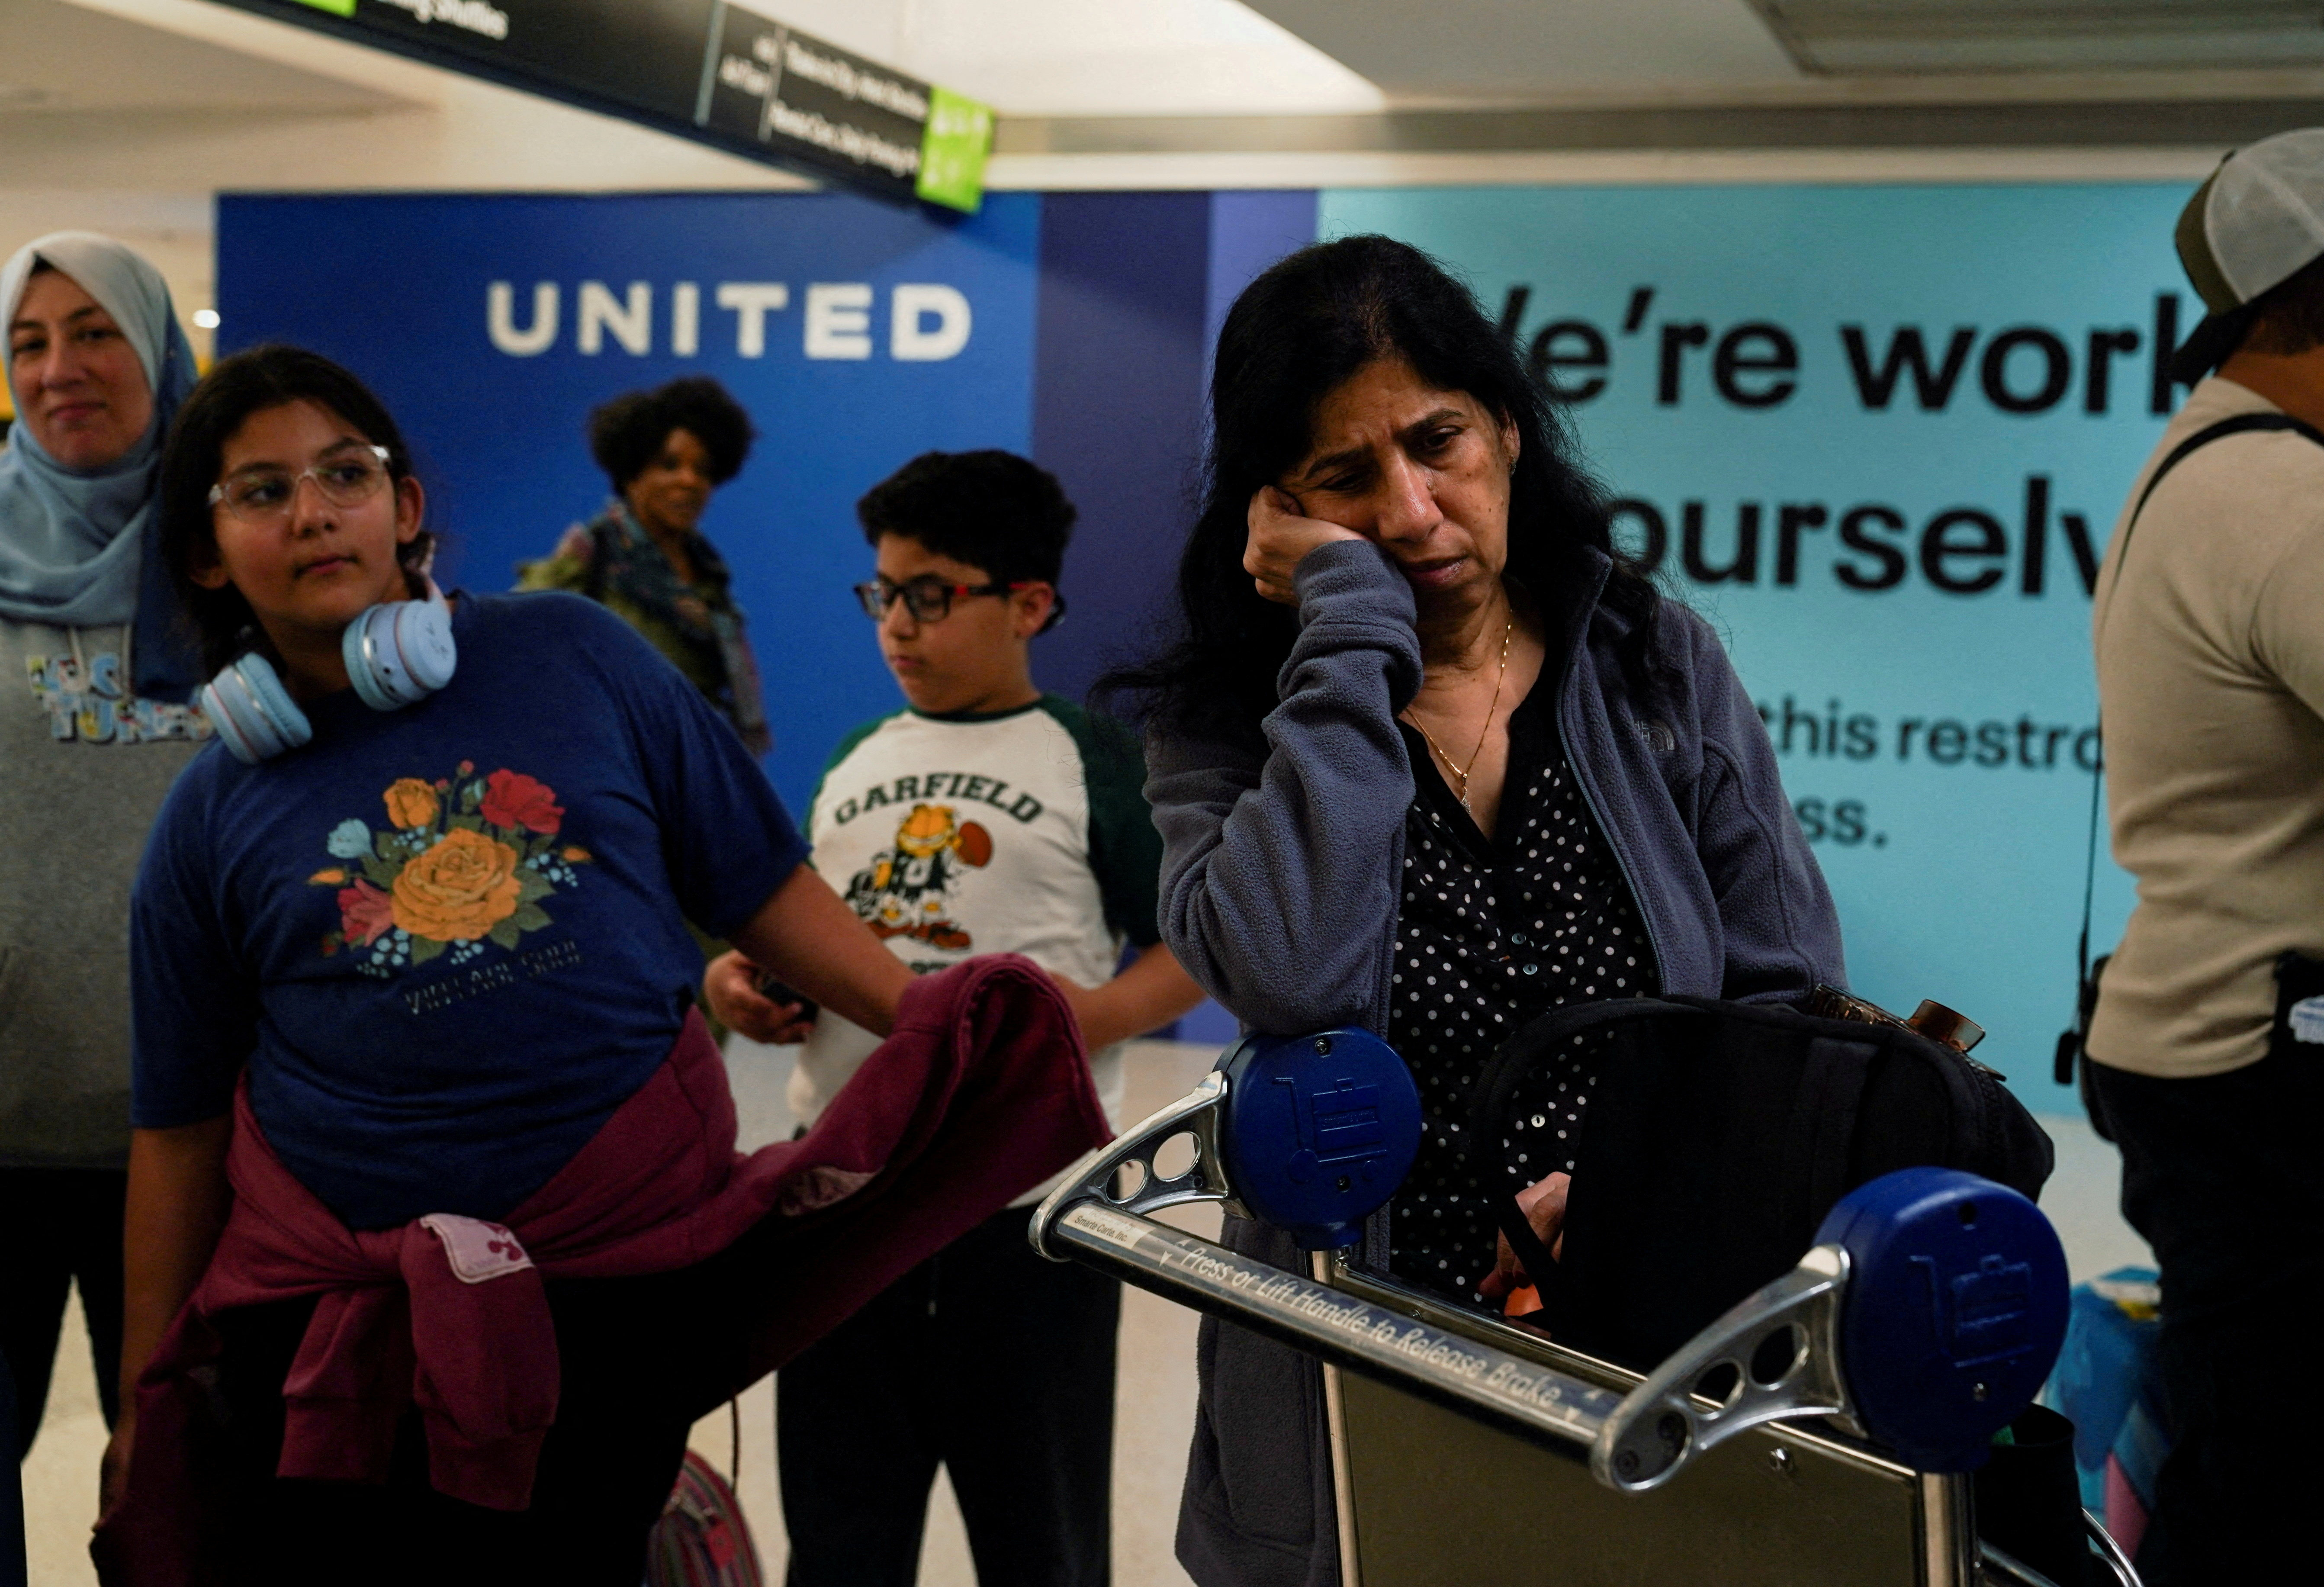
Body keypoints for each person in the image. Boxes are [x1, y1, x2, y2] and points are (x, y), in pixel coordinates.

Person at [103, 345, 1107, 1585]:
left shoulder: (576, 653)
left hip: (620, 1298)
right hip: (346, 1333)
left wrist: (921, 1019)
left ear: (405, 506)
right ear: (205, 551)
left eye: (343, 473)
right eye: (259, 490)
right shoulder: (207, 815)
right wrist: (147, 1395)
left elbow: (754, 881)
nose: (311, 511)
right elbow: (181, 1128)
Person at [1104, 235, 1842, 1587]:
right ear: (1278, 511)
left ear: (1507, 427)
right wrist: (1345, 632)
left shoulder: (1650, 661)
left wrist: (1639, 1189)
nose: (1411, 509)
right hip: (1362, 1367)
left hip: (1648, 1342)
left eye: (1438, 441)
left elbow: (1788, 1008)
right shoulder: (1225, 725)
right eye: (1346, 477)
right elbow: (1288, 969)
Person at [706, 449, 1205, 1587]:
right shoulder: (851, 761)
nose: (896, 624)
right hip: (838, 1206)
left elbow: (1198, 946)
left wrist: (1101, 1012)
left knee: (1040, 1537)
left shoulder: (1091, 762)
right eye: (881, 593)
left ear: (1027, 603)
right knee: (839, 1540)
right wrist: (732, 988)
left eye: (928, 596)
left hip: (1026, 1221)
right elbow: (789, 935)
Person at [2084, 127, 2324, 1586]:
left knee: (2252, 1448)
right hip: (2280, 1078)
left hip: (2210, 1052)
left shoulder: (2199, 468)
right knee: (2282, 1485)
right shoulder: (2299, 505)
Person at [0, 232, 210, 1465]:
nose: (59, 366)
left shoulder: (230, 552)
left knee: (180, 1483)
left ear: (155, 351)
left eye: (94, 333)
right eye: (29, 341)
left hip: (194, 1133)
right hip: (1, 1121)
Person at [517, 375, 769, 754]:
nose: (689, 481)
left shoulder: (708, 573)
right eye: (669, 465)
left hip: (690, 764)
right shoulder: (588, 557)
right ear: (632, 473)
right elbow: (520, 653)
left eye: (703, 469)